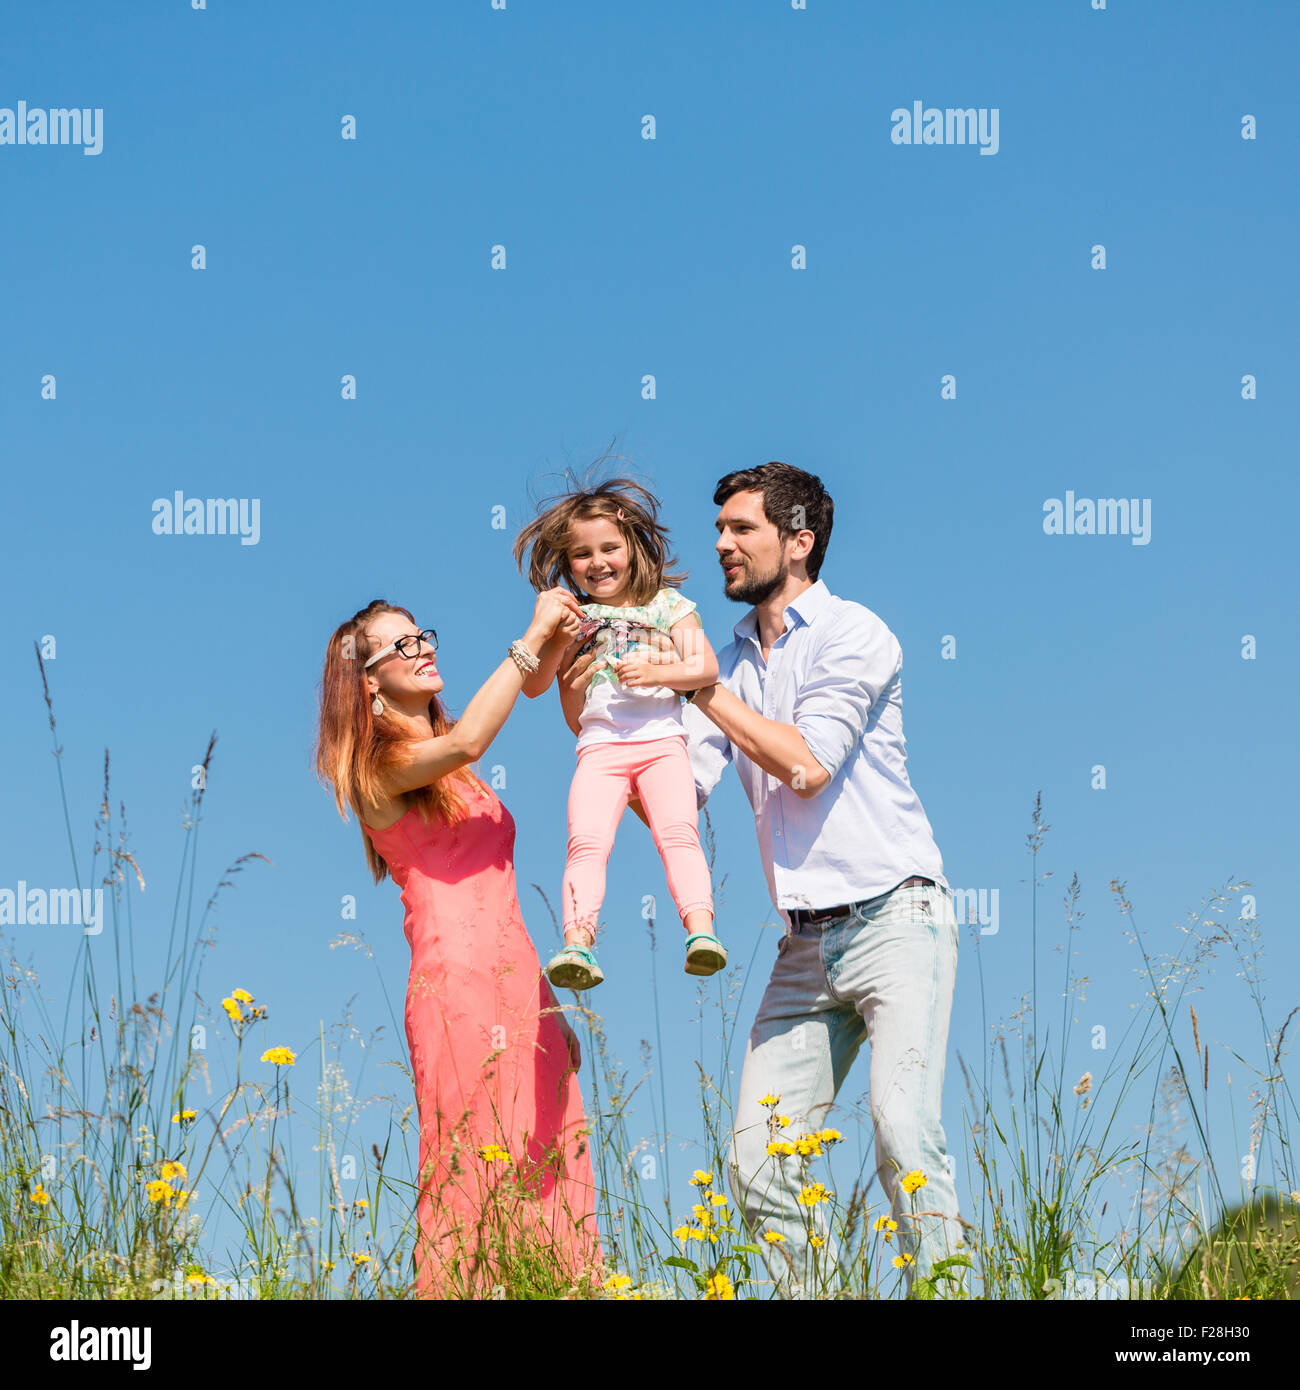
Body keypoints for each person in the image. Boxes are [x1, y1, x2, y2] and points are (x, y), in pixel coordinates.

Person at [562, 461, 967, 1297]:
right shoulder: (725, 663)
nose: (721, 545)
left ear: (799, 541)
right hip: (802, 949)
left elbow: (806, 764)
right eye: (718, 531)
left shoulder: (854, 633)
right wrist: (600, 719)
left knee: (903, 1131)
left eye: (741, 529)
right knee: (758, 1162)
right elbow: (680, 797)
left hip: (896, 916)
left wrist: (700, 688)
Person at [313, 591, 603, 1297]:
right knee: (473, 1165)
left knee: (555, 1160)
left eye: (422, 636)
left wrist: (551, 1009)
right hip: (457, 989)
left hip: (521, 983)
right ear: (369, 682)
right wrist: (529, 641)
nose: (423, 648)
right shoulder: (378, 771)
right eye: (401, 645)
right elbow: (470, 738)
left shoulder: (455, 771)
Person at [513, 478, 726, 991]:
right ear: (567, 564)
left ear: (634, 547)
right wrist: (546, 635)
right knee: (586, 843)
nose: (598, 562)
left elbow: (705, 665)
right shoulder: (575, 617)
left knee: (678, 834)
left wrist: (658, 672)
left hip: (661, 744)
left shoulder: (669, 605)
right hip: (600, 749)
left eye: (610, 547)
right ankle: (578, 942)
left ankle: (701, 932)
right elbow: (536, 685)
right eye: (582, 554)